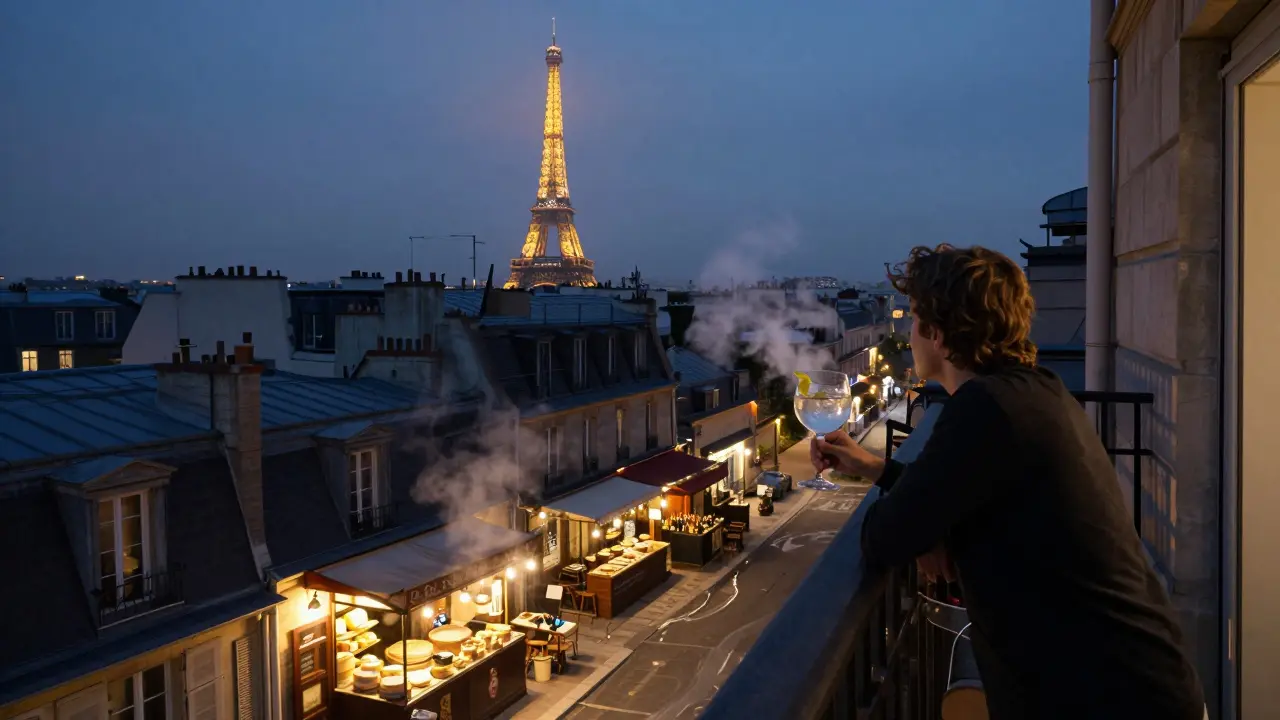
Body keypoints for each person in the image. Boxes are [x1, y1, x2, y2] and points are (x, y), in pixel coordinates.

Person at [811, 244, 1205, 719]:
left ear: (938, 331)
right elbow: (956, 491)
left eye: (913, 318)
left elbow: (884, 536)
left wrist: (925, 526)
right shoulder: (1031, 391)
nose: (909, 332)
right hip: (1132, 687)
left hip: (1108, 700)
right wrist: (874, 467)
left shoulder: (986, 410)